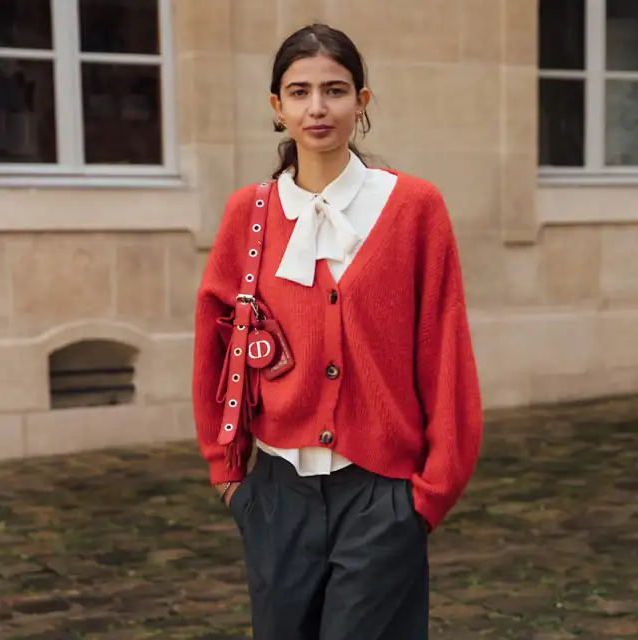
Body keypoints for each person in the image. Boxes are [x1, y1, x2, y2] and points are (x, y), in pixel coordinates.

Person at [193, 22, 483, 640]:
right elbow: (213, 347)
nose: (317, 108)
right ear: (277, 107)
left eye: (335, 90)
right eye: (299, 92)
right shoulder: (248, 214)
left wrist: (428, 496)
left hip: (381, 496)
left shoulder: (414, 208)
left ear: (362, 102)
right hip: (274, 495)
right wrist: (228, 476)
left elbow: (445, 351)